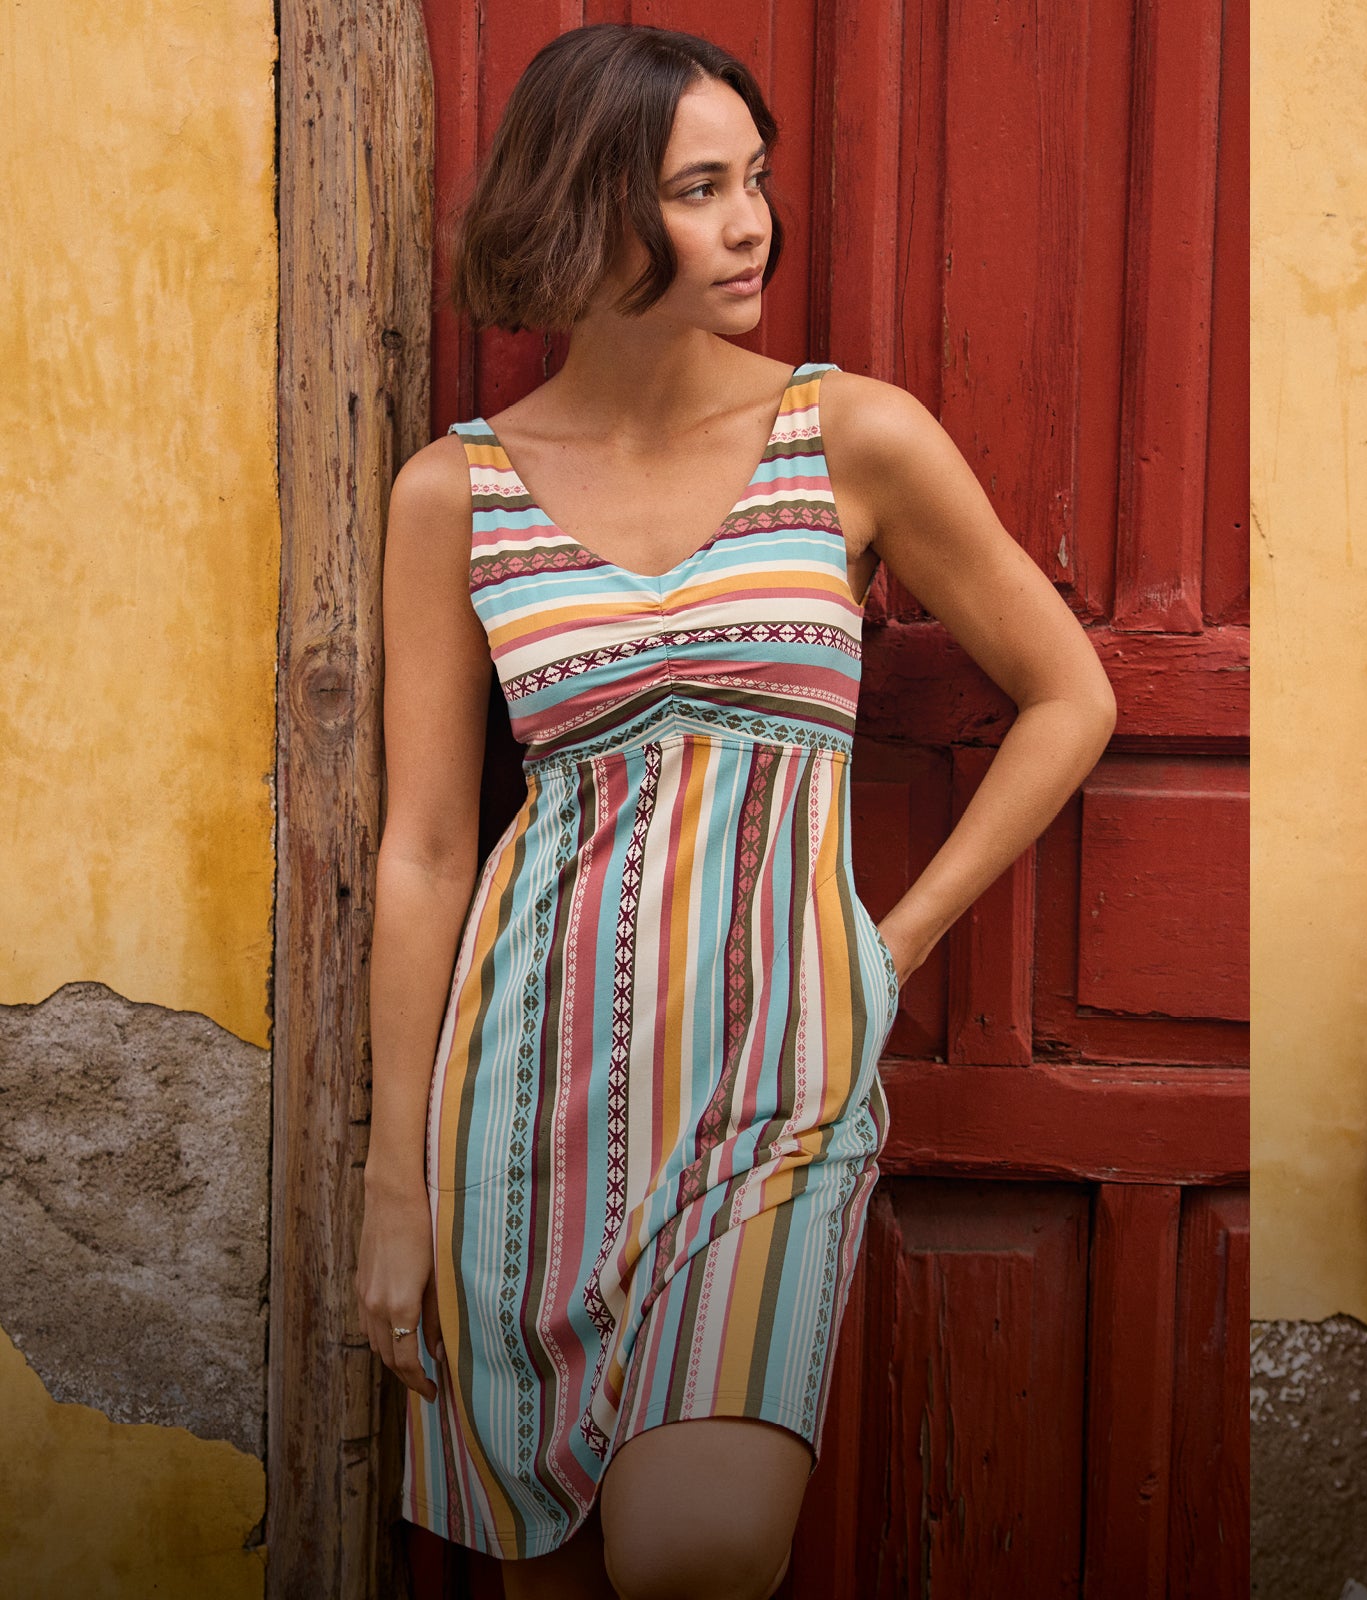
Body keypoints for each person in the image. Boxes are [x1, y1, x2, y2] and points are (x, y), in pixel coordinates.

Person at [353, 25, 1114, 1599]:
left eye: (754, 179)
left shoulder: (848, 435)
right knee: (550, 1566)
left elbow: (1071, 697)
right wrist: (392, 1179)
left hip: (780, 1075)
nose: (753, 220)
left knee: (699, 1552)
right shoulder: (459, 492)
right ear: (587, 212)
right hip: (520, 1104)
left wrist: (883, 948)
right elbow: (425, 844)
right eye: (701, 190)